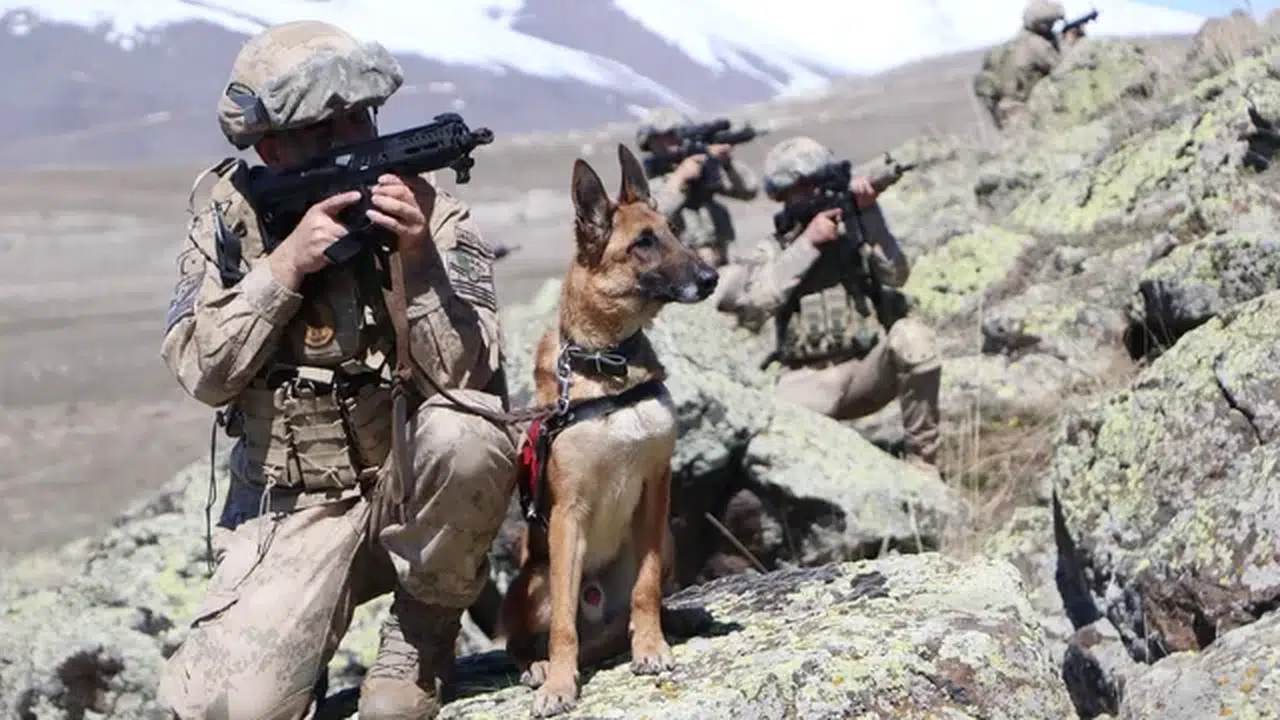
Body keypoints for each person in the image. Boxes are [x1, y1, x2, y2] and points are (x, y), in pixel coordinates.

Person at [156, 20, 517, 720]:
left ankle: (421, 638)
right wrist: (285, 266)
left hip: (407, 489)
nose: (353, 141)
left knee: (469, 434)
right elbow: (203, 373)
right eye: (326, 129)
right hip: (290, 510)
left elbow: (468, 375)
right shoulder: (230, 227)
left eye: (361, 118)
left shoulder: (430, 213)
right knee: (222, 711)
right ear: (271, 145)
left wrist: (417, 260)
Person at [716, 137, 942, 477]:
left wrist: (869, 213)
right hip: (804, 382)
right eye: (800, 189)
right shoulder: (775, 248)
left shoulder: (855, 229)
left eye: (816, 185)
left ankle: (923, 465)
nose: (811, 194)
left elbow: (896, 275)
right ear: (784, 196)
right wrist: (808, 244)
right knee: (765, 451)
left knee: (914, 338)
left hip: (863, 373)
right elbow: (755, 305)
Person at [636, 108, 760, 269]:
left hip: (723, 265)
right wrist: (680, 178)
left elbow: (748, 191)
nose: (670, 143)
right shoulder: (648, 186)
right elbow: (650, 217)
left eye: (673, 135)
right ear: (649, 144)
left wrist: (726, 164)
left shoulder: (701, 170)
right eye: (660, 139)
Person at [972, 0, 1067, 131]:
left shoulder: (1016, 43)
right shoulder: (1037, 44)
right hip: (1023, 112)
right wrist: (1071, 44)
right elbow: (1063, 70)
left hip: (1004, 111)